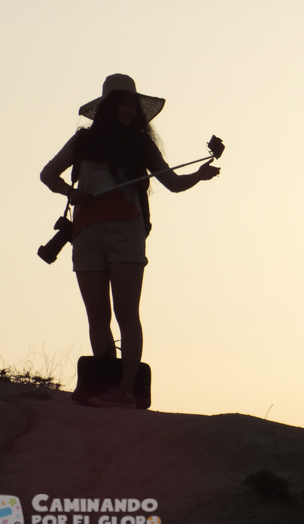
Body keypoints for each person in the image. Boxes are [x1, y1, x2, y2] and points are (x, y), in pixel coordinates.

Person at [40, 74, 219, 408]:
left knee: (126, 313)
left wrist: (199, 174)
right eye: (122, 103)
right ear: (109, 107)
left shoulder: (140, 144)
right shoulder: (83, 142)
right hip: (86, 234)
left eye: (131, 104)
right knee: (97, 316)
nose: (127, 110)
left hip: (126, 233)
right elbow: (48, 175)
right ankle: (110, 385)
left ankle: (124, 390)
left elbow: (174, 183)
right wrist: (72, 193)